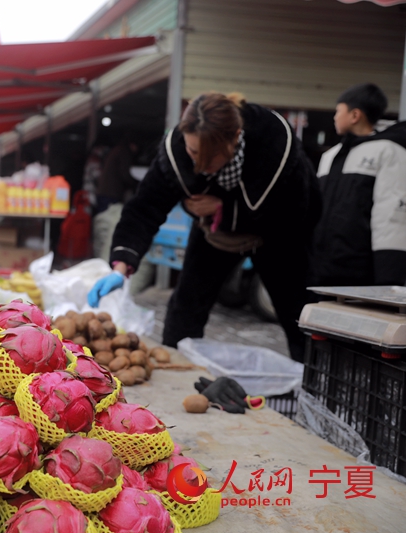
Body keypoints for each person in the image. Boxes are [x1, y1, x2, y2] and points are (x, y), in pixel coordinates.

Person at [88, 92, 321, 363]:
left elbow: (299, 211)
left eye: (209, 158)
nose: (199, 166)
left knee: (299, 317)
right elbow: (144, 208)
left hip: (278, 236)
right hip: (215, 235)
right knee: (184, 311)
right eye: (193, 152)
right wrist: (121, 266)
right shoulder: (176, 151)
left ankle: (312, 387)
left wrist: (222, 208)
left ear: (235, 137)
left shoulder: (273, 143)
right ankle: (176, 370)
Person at [311, 83, 406, 286]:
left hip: (361, 272)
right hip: (322, 267)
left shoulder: (388, 151)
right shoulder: (330, 156)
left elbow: (390, 215)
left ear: (355, 115)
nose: (335, 117)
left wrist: (388, 276)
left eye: (338, 111)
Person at [95, 136, 139, 214]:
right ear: (133, 145)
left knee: (103, 218)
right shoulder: (124, 152)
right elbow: (125, 174)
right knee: (109, 219)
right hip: (111, 193)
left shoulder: (117, 150)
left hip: (104, 191)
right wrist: (136, 184)